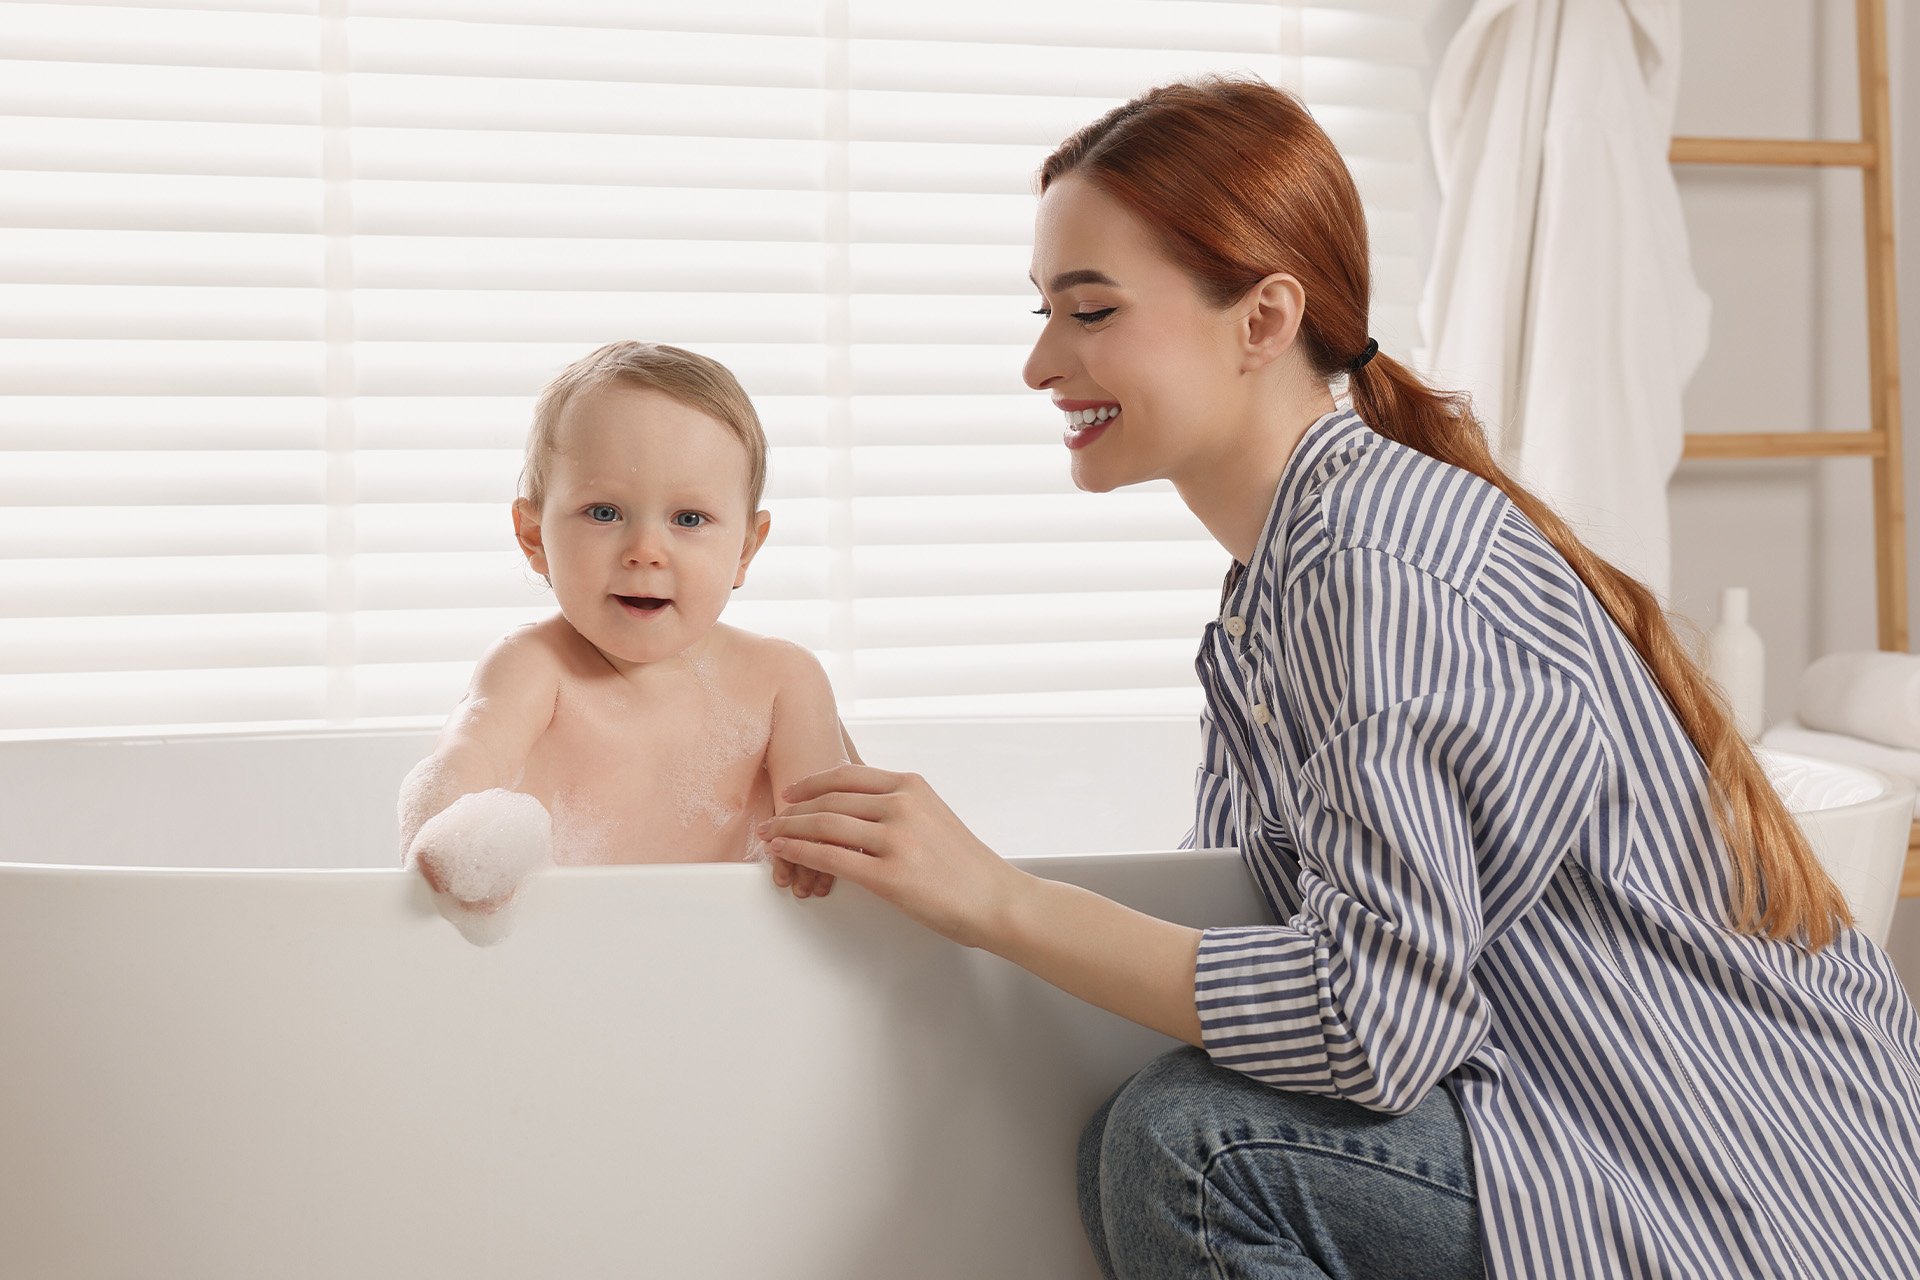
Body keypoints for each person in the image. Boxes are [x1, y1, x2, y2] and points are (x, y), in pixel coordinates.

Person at [757, 78, 1920, 1278]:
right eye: (1045, 312)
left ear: (1264, 319)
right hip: (1613, 1128)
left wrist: (997, 899)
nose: (1041, 362)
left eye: (1090, 310)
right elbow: (1269, 932)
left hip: (1743, 1189)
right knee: (1142, 1123)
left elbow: (1374, 1023)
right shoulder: (1283, 577)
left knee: (1193, 1146)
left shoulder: (1368, 564)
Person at [400, 340, 853, 915]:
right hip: (564, 957)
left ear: (746, 548)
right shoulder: (534, 667)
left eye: (689, 519)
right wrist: (454, 839)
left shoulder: (784, 681)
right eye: (604, 512)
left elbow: (841, 824)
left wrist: (827, 847)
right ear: (534, 536)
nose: (645, 551)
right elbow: (464, 761)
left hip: (734, 957)